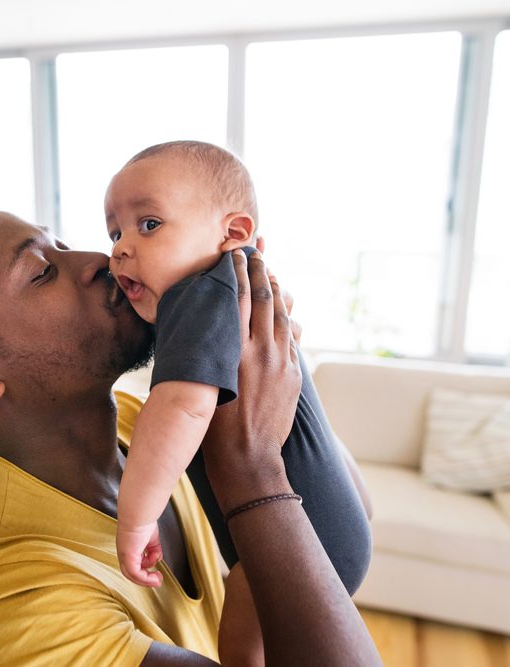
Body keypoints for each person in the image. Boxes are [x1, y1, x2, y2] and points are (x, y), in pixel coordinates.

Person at [0, 210, 382, 665]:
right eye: (42, 273)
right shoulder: (2, 611)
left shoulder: (148, 421)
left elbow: (349, 518)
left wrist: (275, 356)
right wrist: (251, 465)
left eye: (63, 246)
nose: (99, 258)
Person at [105, 142, 372, 654]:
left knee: (239, 650)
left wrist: (138, 517)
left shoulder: (197, 293)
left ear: (232, 233)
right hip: (334, 517)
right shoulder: (244, 284)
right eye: (115, 231)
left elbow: (182, 404)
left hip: (286, 543)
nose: (120, 247)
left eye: (149, 225)